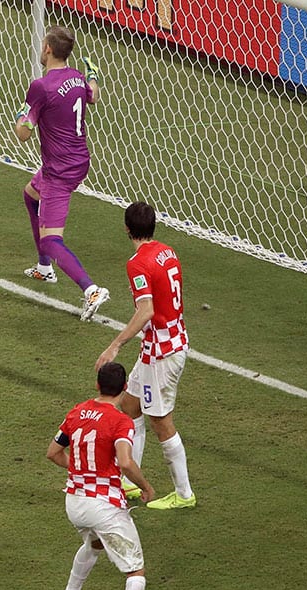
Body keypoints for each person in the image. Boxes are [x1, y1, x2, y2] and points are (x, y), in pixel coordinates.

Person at [95, 201, 197, 510]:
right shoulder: (168, 252)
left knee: (161, 421)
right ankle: (127, 481)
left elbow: (147, 310)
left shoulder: (137, 263)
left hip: (164, 352)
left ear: (126, 228)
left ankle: (183, 494)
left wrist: (115, 344)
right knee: (129, 406)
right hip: (164, 343)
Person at [46, 362, 154, 590]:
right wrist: (146, 487)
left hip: (74, 502)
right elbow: (126, 463)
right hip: (103, 505)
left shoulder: (77, 412)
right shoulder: (121, 422)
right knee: (136, 571)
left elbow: (53, 453)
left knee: (96, 543)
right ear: (125, 388)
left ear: (97, 384)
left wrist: (81, 468)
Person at [14, 25, 110, 322]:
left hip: (60, 170)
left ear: (47, 50)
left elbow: (23, 134)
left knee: (51, 240)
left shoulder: (41, 86)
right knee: (30, 196)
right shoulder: (78, 78)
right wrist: (93, 74)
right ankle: (44, 268)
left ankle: (91, 290)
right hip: (77, 160)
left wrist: (23, 113)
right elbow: (93, 94)